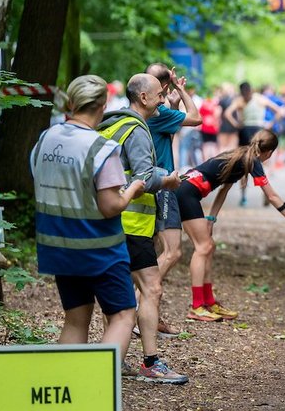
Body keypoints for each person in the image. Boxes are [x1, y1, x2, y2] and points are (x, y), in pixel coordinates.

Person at [30, 75, 144, 370]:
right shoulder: (102, 149)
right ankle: (96, 393)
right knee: (122, 315)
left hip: (58, 246)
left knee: (75, 319)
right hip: (100, 250)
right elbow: (110, 207)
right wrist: (132, 189)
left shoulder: (45, 139)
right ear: (103, 106)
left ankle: (67, 391)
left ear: (71, 102)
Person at [98, 73, 187, 384]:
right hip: (132, 224)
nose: (163, 100)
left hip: (108, 221)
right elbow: (143, 177)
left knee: (118, 293)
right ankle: (150, 362)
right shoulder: (136, 129)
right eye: (159, 95)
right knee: (152, 288)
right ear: (144, 98)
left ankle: (114, 360)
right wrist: (168, 179)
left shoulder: (112, 125)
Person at [177, 129, 285, 321]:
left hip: (188, 190)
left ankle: (209, 302)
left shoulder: (241, 155)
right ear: (269, 152)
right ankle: (197, 306)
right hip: (186, 193)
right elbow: (272, 196)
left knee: (209, 246)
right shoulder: (252, 161)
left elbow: (223, 189)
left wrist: (211, 219)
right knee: (203, 247)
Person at [145, 64, 201, 331]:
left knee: (156, 252)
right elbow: (196, 118)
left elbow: (168, 131)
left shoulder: (147, 112)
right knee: (172, 252)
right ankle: (139, 307)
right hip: (164, 185)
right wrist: (182, 91)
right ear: (163, 87)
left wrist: (173, 101)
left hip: (149, 184)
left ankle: (151, 314)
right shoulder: (158, 113)